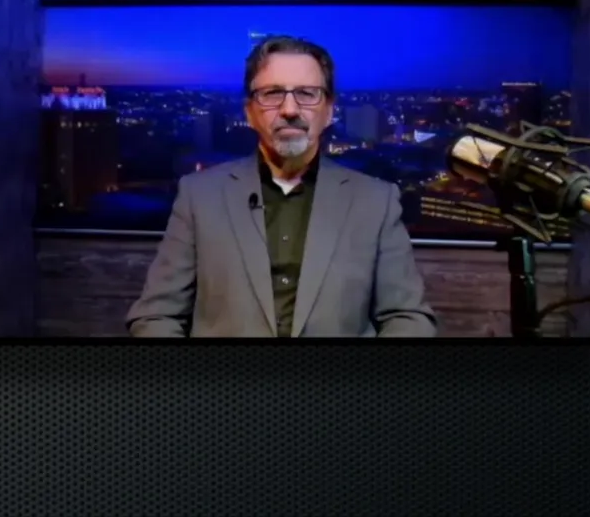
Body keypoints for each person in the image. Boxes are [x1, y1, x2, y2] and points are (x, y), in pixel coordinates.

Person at [127, 36, 438, 338]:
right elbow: (157, 316)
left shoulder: (376, 201)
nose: (289, 109)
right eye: (272, 93)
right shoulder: (199, 197)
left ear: (329, 111)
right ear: (250, 113)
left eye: (307, 93)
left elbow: (407, 317)